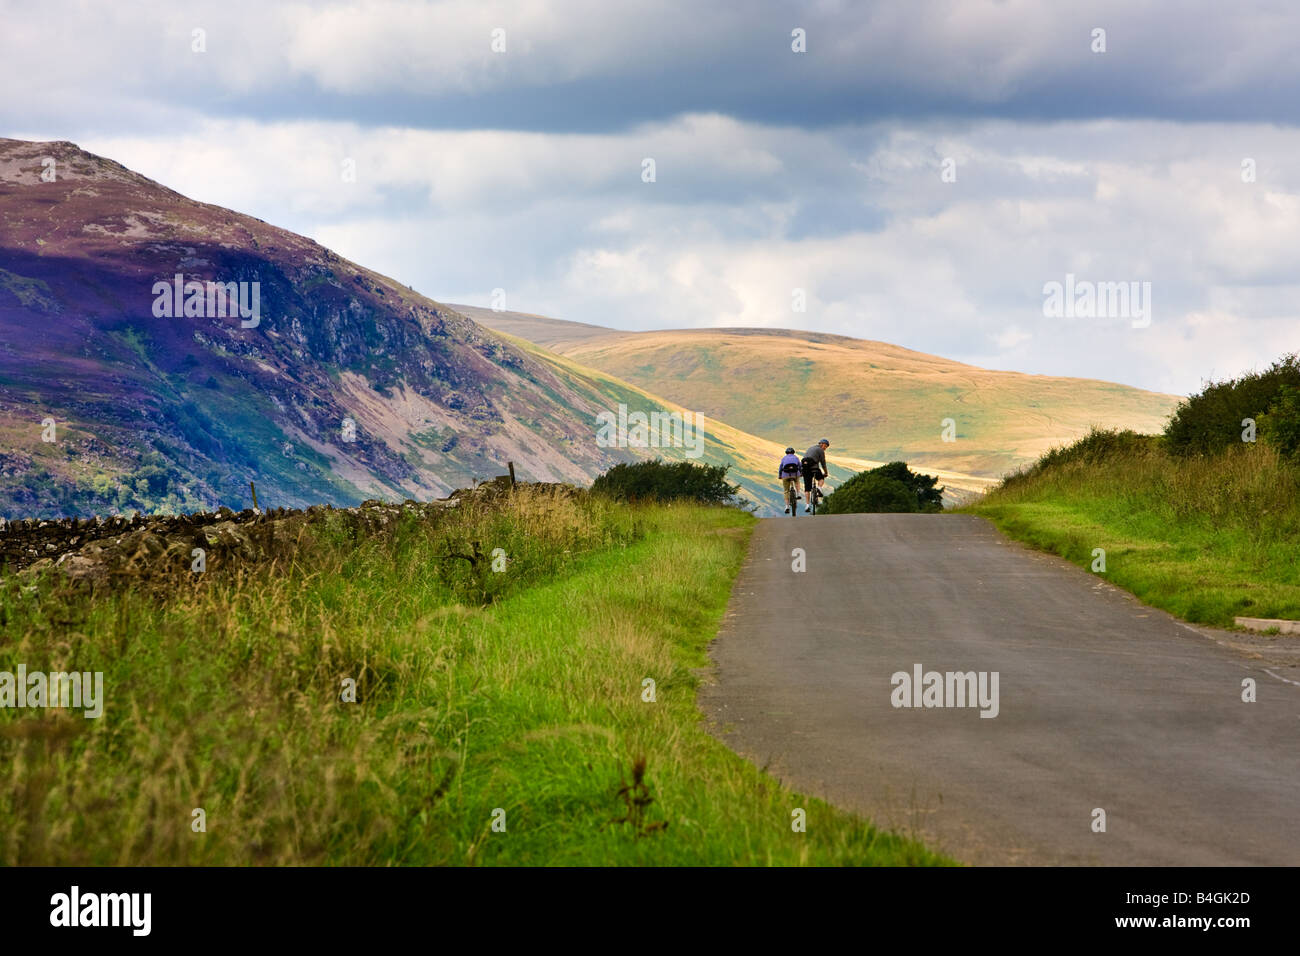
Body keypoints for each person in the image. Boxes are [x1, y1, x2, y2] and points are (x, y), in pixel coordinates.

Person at [801, 439, 830, 513]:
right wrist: (826, 472)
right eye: (825, 446)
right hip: (814, 469)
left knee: (807, 489)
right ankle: (819, 488)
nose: (825, 448)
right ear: (822, 444)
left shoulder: (810, 448)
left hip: (805, 469)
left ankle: (807, 505)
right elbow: (823, 462)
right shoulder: (820, 450)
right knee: (821, 478)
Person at [778, 447, 803, 514]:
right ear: (793, 452)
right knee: (797, 482)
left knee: (786, 491)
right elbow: (800, 466)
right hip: (795, 474)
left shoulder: (784, 458)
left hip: (785, 475)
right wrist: (801, 473)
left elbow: (781, 467)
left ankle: (787, 506)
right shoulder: (796, 458)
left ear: (786, 453)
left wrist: (780, 475)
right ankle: (798, 494)